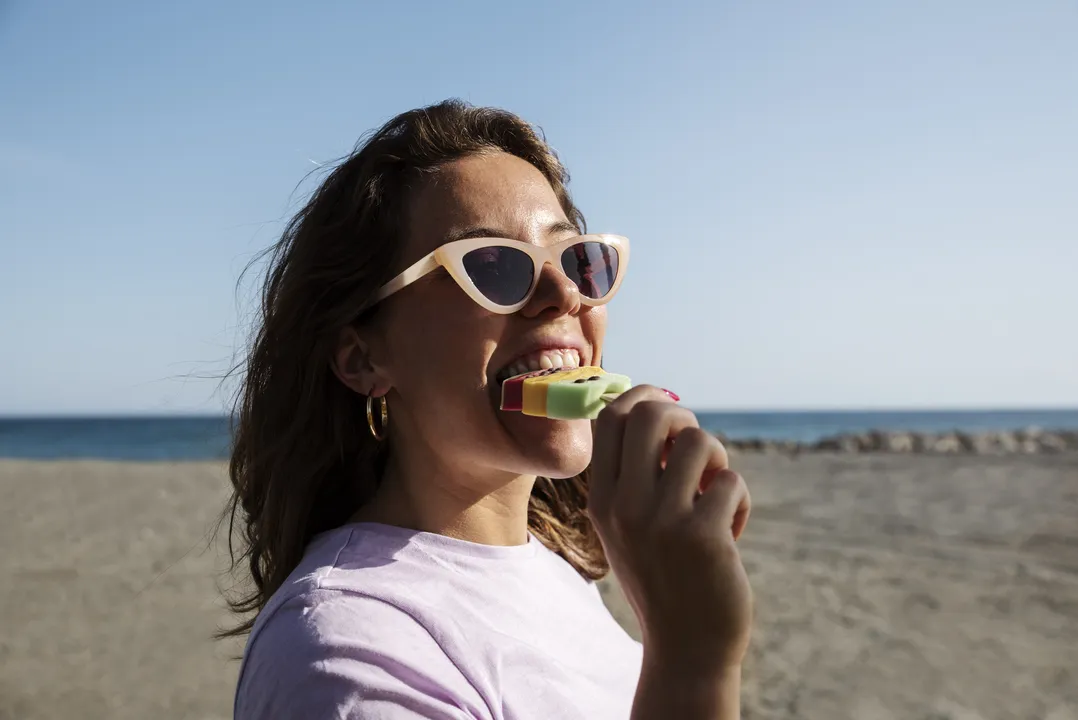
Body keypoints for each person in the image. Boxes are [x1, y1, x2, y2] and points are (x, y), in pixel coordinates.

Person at [223, 99, 753, 719]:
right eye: (493, 266)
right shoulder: (343, 653)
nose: (564, 295)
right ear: (362, 357)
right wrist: (692, 659)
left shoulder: (556, 573)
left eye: (578, 260)